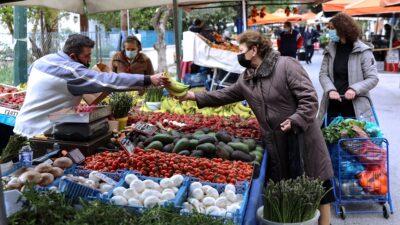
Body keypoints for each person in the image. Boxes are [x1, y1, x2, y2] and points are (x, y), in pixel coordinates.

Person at [179, 30, 334, 225]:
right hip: (276, 142)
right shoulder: (246, 78)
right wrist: (192, 96)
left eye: (241, 49)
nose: (238, 54)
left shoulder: (287, 65)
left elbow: (309, 98)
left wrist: (296, 119)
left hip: (302, 137)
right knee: (292, 191)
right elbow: (224, 95)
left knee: (318, 187)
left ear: (254, 50)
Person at [14, 34, 169, 138]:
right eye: (86, 56)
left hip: (21, 126)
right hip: (38, 134)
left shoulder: (44, 60)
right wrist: (148, 79)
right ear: (73, 56)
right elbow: (109, 80)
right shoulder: (72, 71)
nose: (89, 61)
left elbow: (32, 74)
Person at [317, 13, 379, 126]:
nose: (330, 32)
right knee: (327, 140)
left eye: (332, 28)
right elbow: (323, 74)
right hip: (331, 105)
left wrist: (354, 89)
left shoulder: (363, 51)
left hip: (356, 108)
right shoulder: (330, 49)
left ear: (342, 29)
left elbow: (373, 78)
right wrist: (330, 89)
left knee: (354, 141)